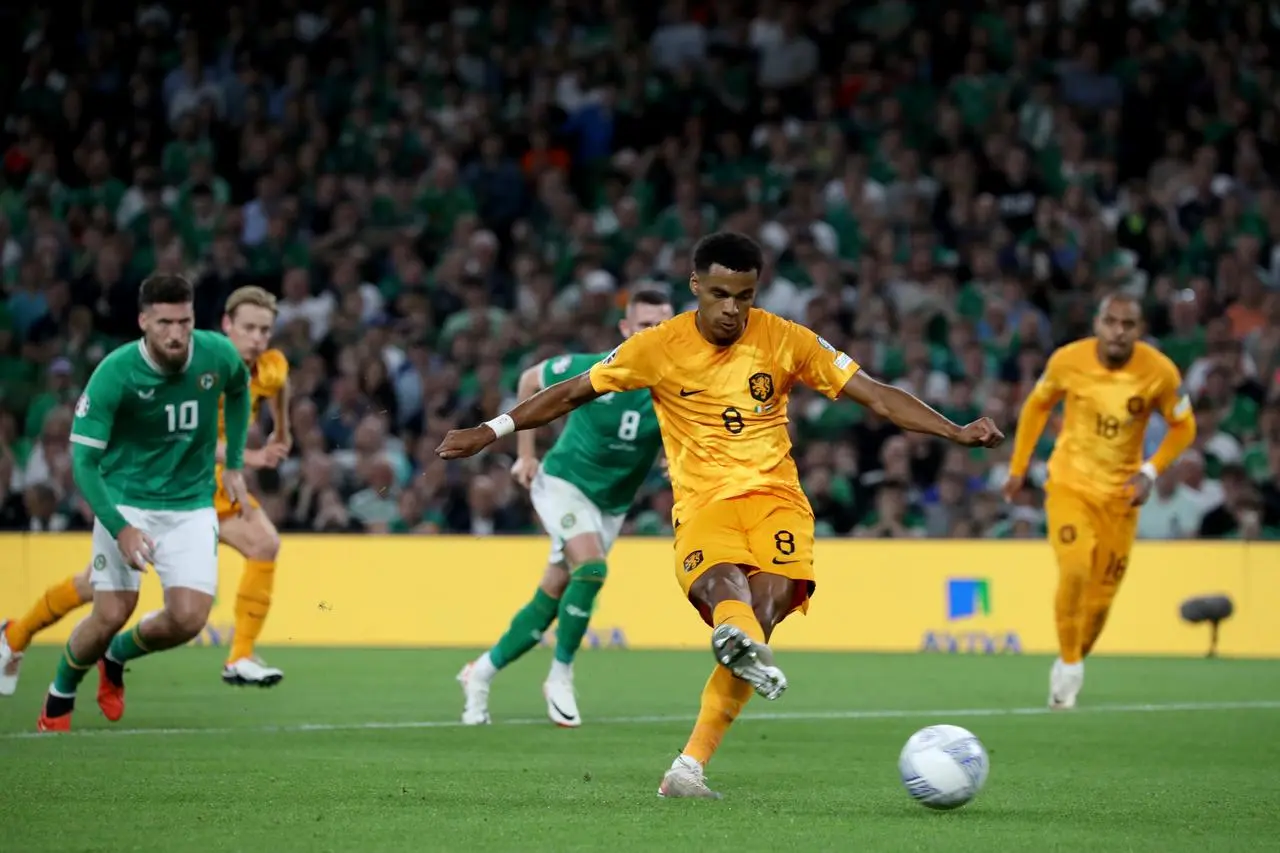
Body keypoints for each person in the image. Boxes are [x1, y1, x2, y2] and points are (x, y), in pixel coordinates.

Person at [436, 231, 1003, 797]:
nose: (732, 308)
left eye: (745, 295)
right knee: (724, 589)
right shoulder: (658, 346)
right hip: (705, 505)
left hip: (778, 502)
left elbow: (876, 394)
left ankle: (691, 760)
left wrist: (953, 430)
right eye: (719, 294)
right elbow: (568, 393)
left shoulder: (787, 339)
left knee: (768, 611)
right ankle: (715, 687)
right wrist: (491, 431)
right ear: (696, 287)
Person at [0, 286, 292, 696]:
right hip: (164, 486)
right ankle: (17, 633)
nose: (258, 339)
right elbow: (185, 435)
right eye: (249, 328)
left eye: (265, 330)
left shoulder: (269, 367)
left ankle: (239, 655)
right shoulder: (200, 363)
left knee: (265, 544)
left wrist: (283, 430)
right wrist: (246, 458)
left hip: (207, 491)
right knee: (95, 588)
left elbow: (276, 388)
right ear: (227, 326)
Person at [34, 274, 252, 732]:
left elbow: (238, 389)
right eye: (165, 322)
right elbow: (84, 463)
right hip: (127, 502)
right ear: (143, 322)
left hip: (190, 504)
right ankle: (60, 691)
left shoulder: (216, 353)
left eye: (184, 321)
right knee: (112, 612)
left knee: (189, 619)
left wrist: (233, 463)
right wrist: (120, 527)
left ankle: (116, 657)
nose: (176, 333)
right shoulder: (115, 372)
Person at [458, 288, 673, 728]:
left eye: (663, 324)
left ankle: (479, 674)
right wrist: (525, 453)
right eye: (646, 324)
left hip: (611, 505)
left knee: (553, 594)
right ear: (626, 330)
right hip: (562, 484)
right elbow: (530, 380)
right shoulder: (592, 368)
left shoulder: (676, 385)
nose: (655, 332)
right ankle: (560, 676)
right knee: (591, 569)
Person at [1002, 293, 1197, 711]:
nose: (1118, 331)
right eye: (1111, 321)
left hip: (1123, 497)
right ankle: (1070, 665)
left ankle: (1071, 659)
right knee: (1073, 568)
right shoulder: (1067, 361)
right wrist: (1019, 467)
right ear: (1097, 323)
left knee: (1101, 599)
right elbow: (1037, 406)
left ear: (1139, 330)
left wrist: (1150, 471)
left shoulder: (1159, 372)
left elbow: (1184, 427)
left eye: (1128, 324)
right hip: (1070, 485)